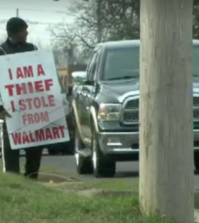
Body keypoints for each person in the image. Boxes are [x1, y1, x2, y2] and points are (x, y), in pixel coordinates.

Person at [0, 17, 43, 179]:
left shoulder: (33, 49)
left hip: (34, 112)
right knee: (11, 156)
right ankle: (15, 186)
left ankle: (32, 182)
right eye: (24, 30)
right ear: (15, 32)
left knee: (34, 153)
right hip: (11, 114)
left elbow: (44, 77)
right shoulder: (1, 52)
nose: (27, 33)